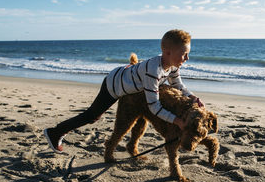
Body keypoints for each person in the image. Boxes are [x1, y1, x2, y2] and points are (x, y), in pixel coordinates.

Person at [44, 29, 204, 153]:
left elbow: (178, 85)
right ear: (168, 53)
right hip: (114, 84)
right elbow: (154, 106)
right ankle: (55, 132)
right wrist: (177, 121)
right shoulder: (153, 71)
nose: (187, 58)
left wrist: (193, 97)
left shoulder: (172, 65)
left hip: (128, 76)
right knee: (92, 116)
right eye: (184, 54)